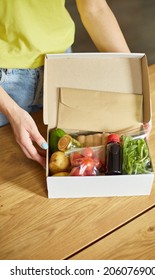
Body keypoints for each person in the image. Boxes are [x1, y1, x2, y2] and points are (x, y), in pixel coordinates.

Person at [0, 0, 130, 168]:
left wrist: (133, 78)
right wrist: (11, 110)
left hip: (62, 66)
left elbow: (95, 8)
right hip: (5, 85)